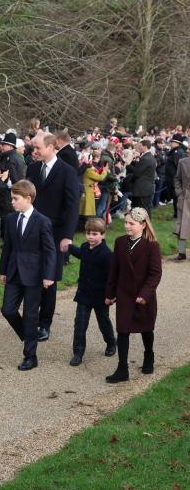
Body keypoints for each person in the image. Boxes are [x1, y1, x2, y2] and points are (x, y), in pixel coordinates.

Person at [0, 180, 56, 371]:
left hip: (35, 275)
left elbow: (50, 251)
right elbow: (8, 247)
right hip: (14, 272)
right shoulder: (11, 219)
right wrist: (3, 270)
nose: (12, 202)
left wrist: (49, 275)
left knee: (31, 315)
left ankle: (30, 356)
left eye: (15, 199)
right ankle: (29, 335)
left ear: (28, 198)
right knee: (8, 310)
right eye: (11, 198)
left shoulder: (42, 221)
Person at [27, 133, 80, 341]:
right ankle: (31, 316)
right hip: (31, 232)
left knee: (49, 278)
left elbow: (72, 205)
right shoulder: (32, 169)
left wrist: (67, 236)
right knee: (31, 273)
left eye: (38, 147)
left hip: (55, 233)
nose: (35, 151)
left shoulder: (66, 171)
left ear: (51, 147)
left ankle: (44, 323)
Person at [104, 208, 162, 383]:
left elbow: (155, 274)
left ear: (143, 225)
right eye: (126, 222)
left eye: (131, 223)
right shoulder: (120, 242)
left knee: (146, 328)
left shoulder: (152, 246)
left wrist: (145, 294)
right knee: (122, 330)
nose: (127, 226)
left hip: (144, 296)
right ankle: (122, 368)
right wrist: (110, 293)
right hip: (124, 294)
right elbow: (114, 270)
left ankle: (149, 355)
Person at [68, 217, 116, 367]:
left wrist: (111, 296)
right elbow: (81, 254)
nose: (91, 237)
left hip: (101, 296)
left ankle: (111, 343)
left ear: (103, 235)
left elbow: (112, 277)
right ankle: (78, 353)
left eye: (95, 234)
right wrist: (69, 247)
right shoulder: (84, 247)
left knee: (103, 321)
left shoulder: (107, 254)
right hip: (84, 294)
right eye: (88, 233)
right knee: (80, 324)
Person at [126, 139, 157, 211]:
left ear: (145, 146)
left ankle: (145, 222)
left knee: (142, 210)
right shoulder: (148, 156)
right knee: (144, 209)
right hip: (145, 189)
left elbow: (137, 172)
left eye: (140, 146)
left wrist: (128, 165)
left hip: (142, 190)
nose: (138, 147)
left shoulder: (146, 158)